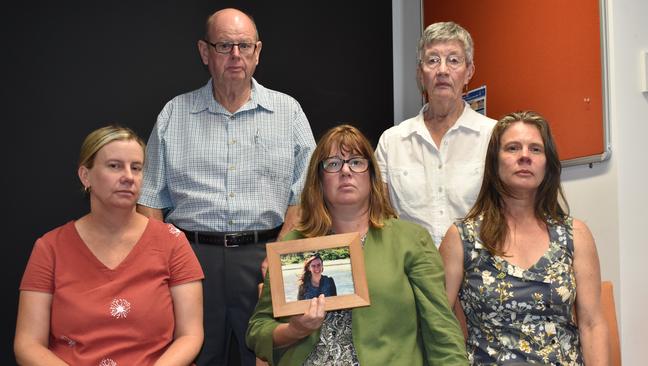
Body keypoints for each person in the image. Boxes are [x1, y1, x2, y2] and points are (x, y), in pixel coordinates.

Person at [136, 8, 316, 365]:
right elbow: (150, 198)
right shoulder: (174, 113)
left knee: (271, 356)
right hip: (190, 261)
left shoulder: (289, 112)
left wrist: (280, 257)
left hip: (265, 256)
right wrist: (162, 265)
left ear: (258, 51)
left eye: (244, 46)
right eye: (224, 46)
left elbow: (305, 192)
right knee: (193, 356)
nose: (236, 55)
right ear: (205, 52)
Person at [246, 125, 467, 365]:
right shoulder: (294, 245)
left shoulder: (410, 240)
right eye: (332, 164)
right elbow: (258, 331)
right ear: (318, 180)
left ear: (372, 176)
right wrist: (294, 330)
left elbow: (441, 329)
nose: (345, 171)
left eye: (356, 162)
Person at [14, 125, 204, 365]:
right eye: (114, 166)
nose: (128, 176)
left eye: (136, 168)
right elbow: (27, 344)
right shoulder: (50, 247)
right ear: (86, 176)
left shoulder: (172, 242)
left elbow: (191, 335)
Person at [439, 111, 609, 365]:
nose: (525, 156)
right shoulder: (462, 237)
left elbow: (592, 324)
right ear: (494, 163)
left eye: (536, 149)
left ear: (547, 164)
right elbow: (438, 322)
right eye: (512, 148)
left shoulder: (575, 234)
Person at [375, 21, 496, 246]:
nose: (442, 70)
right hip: (413, 272)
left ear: (469, 72)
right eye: (432, 60)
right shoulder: (392, 142)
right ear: (421, 74)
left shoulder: (494, 136)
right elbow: (379, 216)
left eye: (453, 60)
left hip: (478, 271)